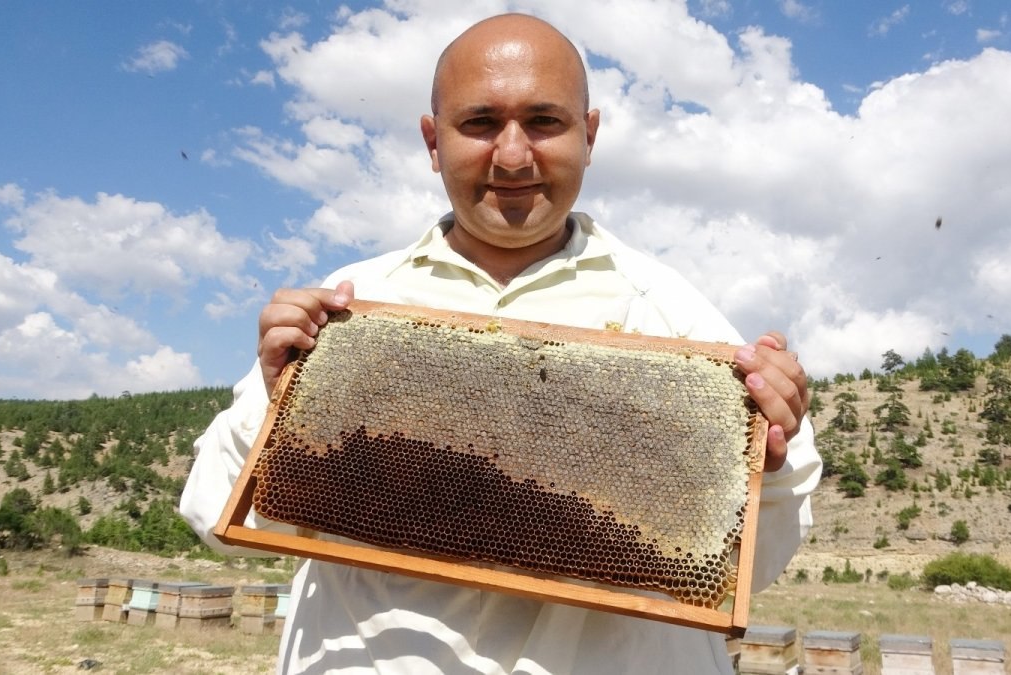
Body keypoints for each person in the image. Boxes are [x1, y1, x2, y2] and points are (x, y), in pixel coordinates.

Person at [181, 12, 821, 675]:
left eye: (544, 121)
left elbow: (755, 562)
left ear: (589, 135)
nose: (512, 155)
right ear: (433, 142)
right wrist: (275, 394)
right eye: (480, 123)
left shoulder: (678, 318)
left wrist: (764, 462)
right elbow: (215, 514)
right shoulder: (345, 307)